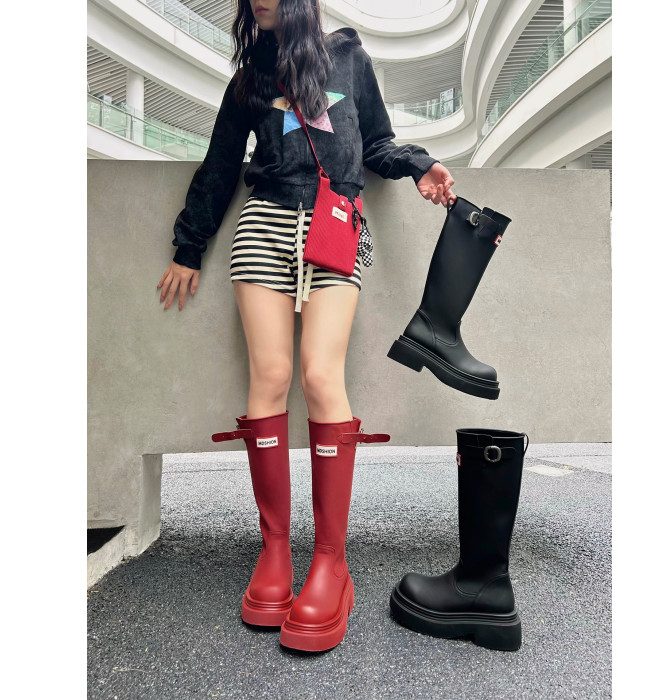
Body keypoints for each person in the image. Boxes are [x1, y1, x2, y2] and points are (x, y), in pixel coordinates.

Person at [156, 0, 457, 652]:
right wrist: (188, 247)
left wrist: (419, 164)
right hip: (264, 226)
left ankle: (330, 561)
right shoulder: (250, 79)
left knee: (322, 377)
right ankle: (274, 554)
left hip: (335, 227)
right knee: (270, 375)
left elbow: (375, 143)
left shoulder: (347, 56)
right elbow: (219, 164)